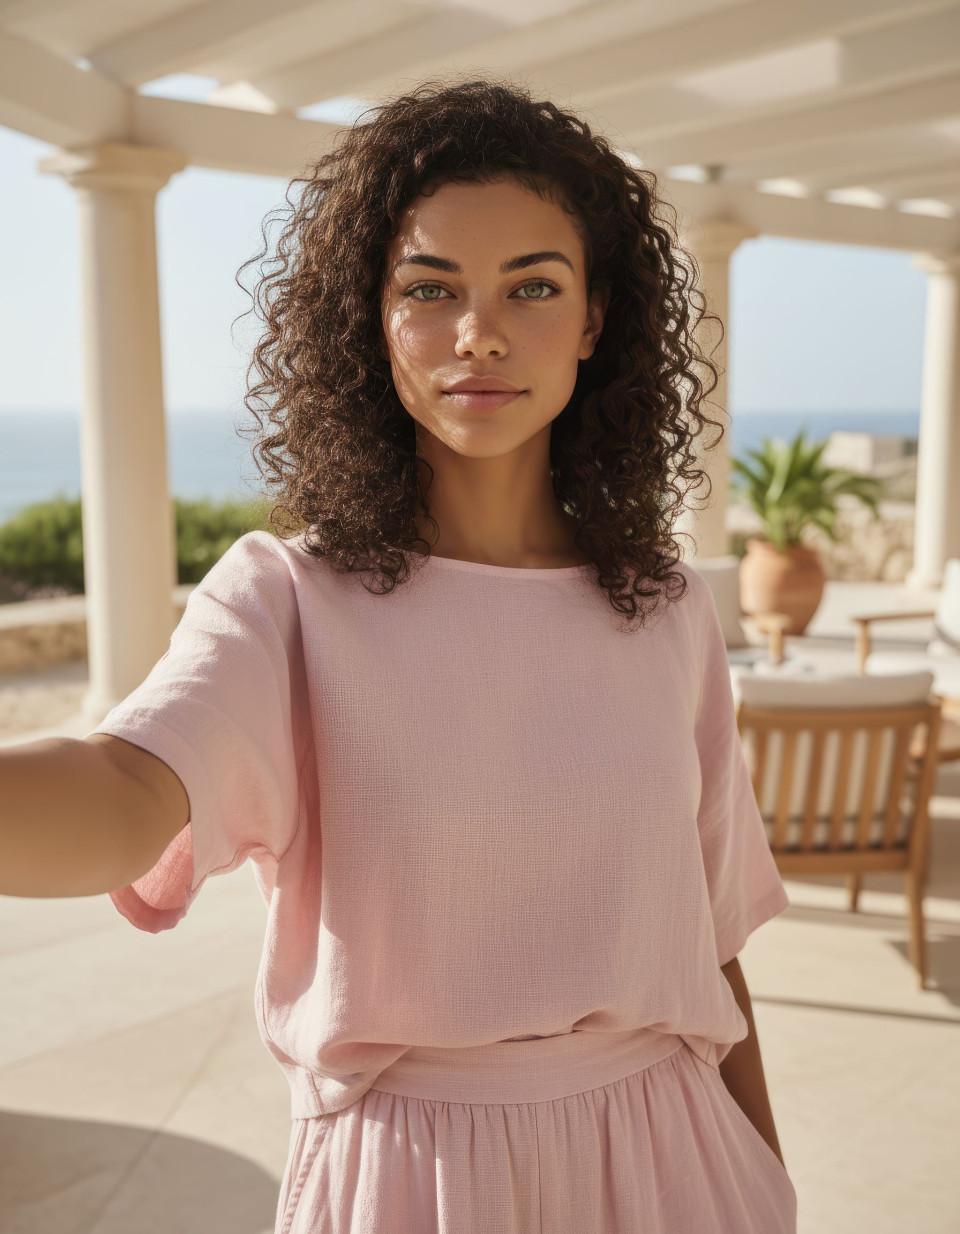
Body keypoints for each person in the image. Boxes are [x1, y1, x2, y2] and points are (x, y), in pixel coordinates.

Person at [1, 76, 797, 1233]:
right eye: (431, 288)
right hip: (414, 1182)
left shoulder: (665, 608)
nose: (479, 330)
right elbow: (128, 785)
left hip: (679, 1165)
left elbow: (714, 954)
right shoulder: (290, 600)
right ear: (370, 321)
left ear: (594, 319)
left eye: (533, 285)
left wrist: (769, 1186)